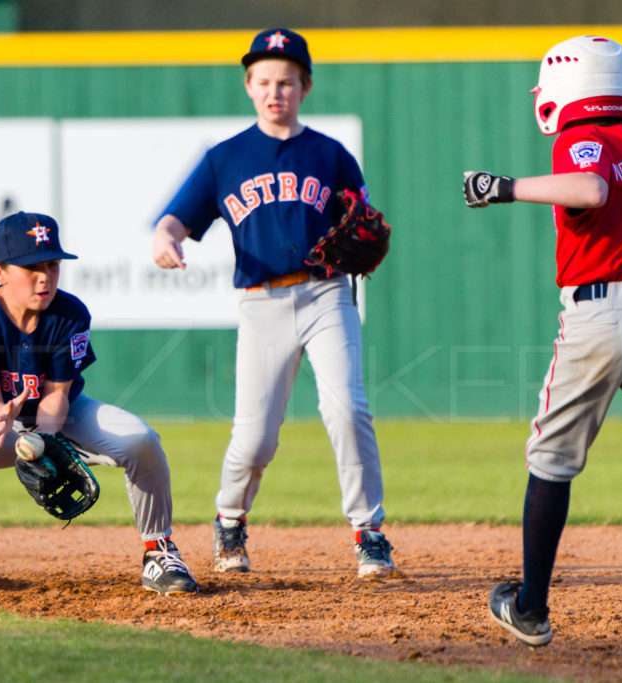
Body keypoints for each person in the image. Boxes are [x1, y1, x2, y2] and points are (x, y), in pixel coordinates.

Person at [152, 28, 396, 578]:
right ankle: (230, 519)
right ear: (248, 86)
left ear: (305, 87)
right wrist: (164, 238)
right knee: (255, 437)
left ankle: (369, 532)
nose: (274, 91)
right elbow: (176, 218)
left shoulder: (330, 155)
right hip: (260, 303)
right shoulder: (225, 159)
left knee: (347, 409)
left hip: (326, 294)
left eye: (286, 81)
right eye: (263, 81)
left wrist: (361, 231)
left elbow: (362, 219)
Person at [0, 211, 198, 596]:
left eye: (52, 264)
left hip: (61, 420)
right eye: (31, 266)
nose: (45, 276)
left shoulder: (70, 314)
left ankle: (158, 552)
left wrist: (45, 439)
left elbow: (56, 393)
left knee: (141, 441)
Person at [463, 34, 622, 647]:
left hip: (601, 311)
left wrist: (501, 187)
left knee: (550, 457)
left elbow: (590, 189)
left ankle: (529, 608)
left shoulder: (582, 136)